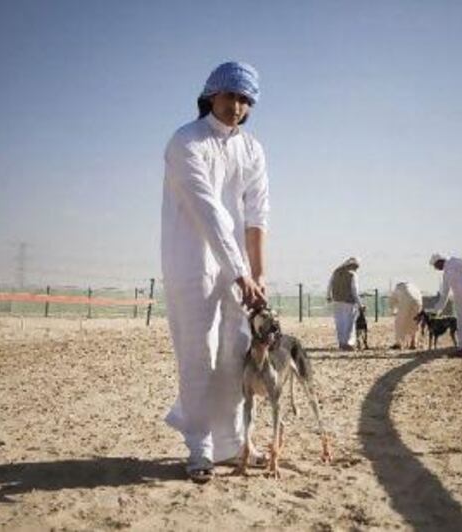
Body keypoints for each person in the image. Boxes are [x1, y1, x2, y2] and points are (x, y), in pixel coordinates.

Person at [161, 61, 269, 483]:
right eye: (231, 96)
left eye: (246, 99)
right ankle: (200, 448)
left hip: (239, 271)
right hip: (191, 261)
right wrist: (241, 270)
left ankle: (234, 443)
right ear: (210, 95)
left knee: (236, 353)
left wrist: (256, 274)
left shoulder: (253, 149)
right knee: (198, 353)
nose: (237, 106)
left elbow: (258, 214)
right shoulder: (185, 141)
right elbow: (208, 212)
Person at [326, 257, 361, 350]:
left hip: (336, 300)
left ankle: (341, 342)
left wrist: (328, 296)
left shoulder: (336, 272)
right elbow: (355, 291)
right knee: (349, 323)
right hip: (349, 302)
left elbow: (329, 285)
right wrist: (360, 304)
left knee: (340, 323)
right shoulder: (352, 275)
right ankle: (348, 343)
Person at [388, 281, 423, 350]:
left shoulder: (398, 288)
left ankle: (399, 343)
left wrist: (392, 311)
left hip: (406, 301)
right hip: (418, 302)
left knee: (399, 323)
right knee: (414, 322)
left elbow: (391, 302)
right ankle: (413, 343)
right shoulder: (414, 287)